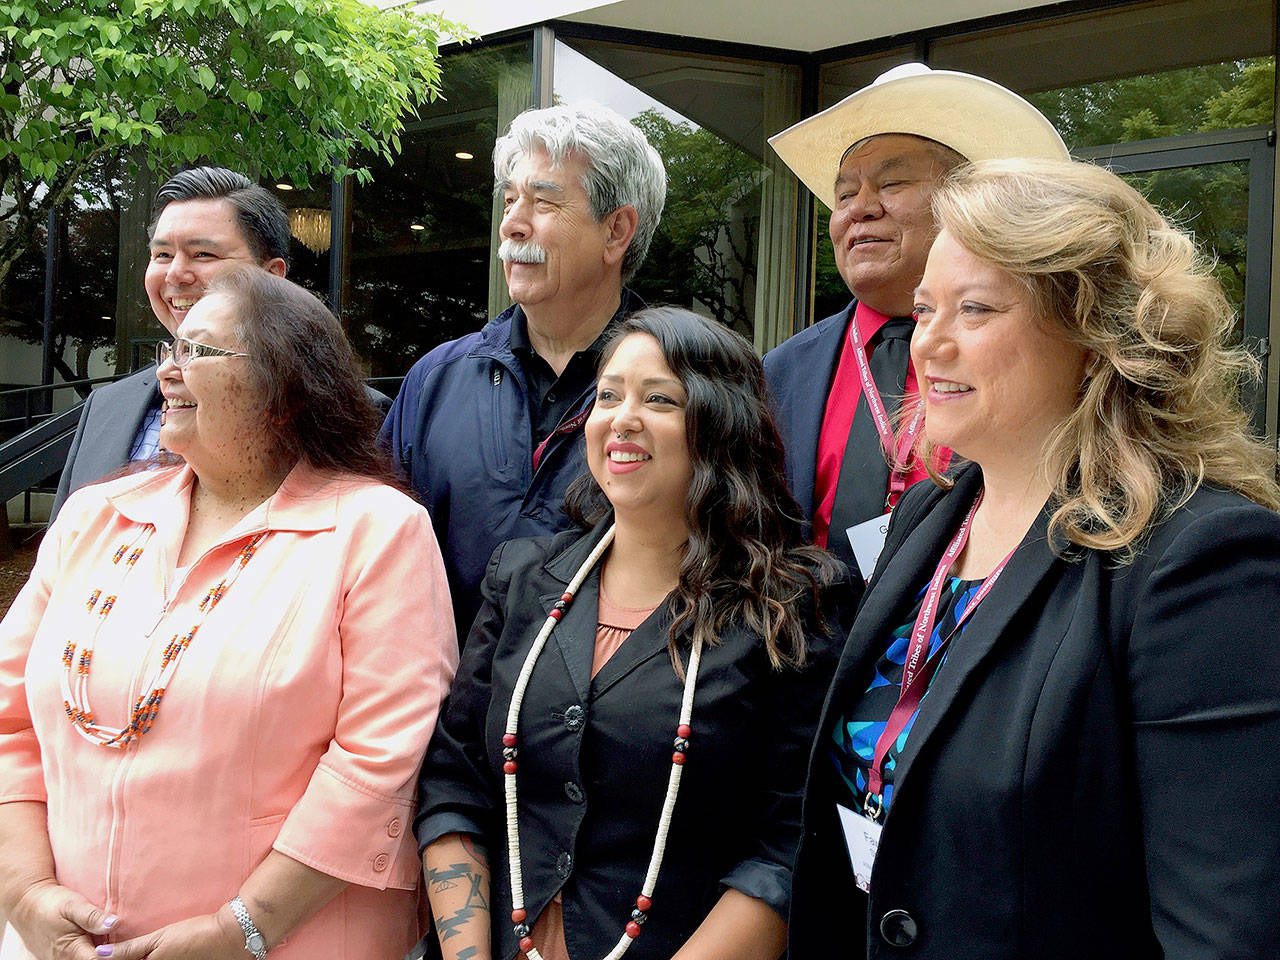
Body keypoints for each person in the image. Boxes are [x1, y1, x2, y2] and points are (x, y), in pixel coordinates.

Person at [787, 159, 1280, 959]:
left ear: (1095, 332)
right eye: (923, 310)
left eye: (974, 309)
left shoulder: (1202, 562)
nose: (929, 343)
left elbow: (1228, 931)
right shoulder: (931, 515)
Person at [0, 268, 458, 960]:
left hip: (294, 942)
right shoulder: (97, 516)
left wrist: (241, 930)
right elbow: (8, 717)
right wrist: (24, 892)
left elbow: (377, 765)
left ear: (285, 385)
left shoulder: (377, 531)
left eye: (199, 352)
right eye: (169, 350)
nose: (170, 373)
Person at [415, 307, 848, 960]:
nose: (622, 418)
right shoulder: (525, 577)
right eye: (608, 395)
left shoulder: (791, 604)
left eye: (659, 399)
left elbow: (789, 844)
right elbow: (455, 783)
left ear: (719, 424)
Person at [763, 64, 1067, 580]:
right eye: (843, 194)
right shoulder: (781, 372)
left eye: (892, 182)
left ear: (965, 201)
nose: (859, 209)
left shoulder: (1040, 356)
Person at [380, 103, 667, 636]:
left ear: (616, 231)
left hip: (609, 710)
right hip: (439, 706)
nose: (511, 225)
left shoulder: (685, 388)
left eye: (542, 202)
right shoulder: (435, 380)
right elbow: (371, 560)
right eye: (510, 201)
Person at [51, 167, 290, 522]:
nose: (175, 274)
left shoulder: (333, 412)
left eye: (203, 255)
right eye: (162, 256)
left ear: (272, 276)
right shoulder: (107, 408)